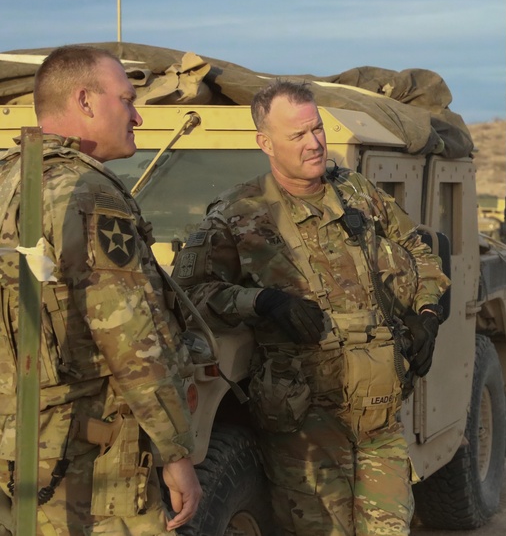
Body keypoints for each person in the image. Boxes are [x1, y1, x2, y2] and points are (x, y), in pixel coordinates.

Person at [173, 79, 450, 535]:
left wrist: (426, 315)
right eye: (297, 135)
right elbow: (190, 295)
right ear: (266, 142)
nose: (314, 142)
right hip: (305, 419)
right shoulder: (239, 214)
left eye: (317, 128)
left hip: (379, 410)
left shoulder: (357, 194)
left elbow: (419, 249)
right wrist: (261, 299)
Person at [0, 45, 202, 534]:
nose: (137, 116)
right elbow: (130, 335)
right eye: (128, 100)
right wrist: (176, 453)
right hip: (92, 459)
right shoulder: (87, 192)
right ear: (86, 102)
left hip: (22, 442)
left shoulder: (9, 177)